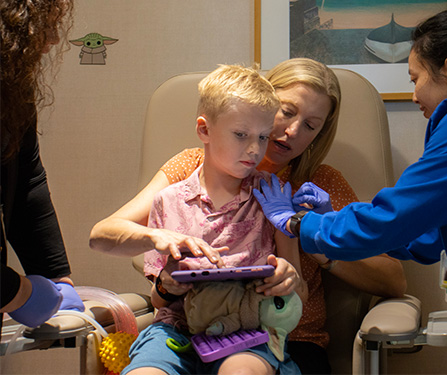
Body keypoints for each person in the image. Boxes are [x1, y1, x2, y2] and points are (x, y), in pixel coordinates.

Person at [253, 1, 447, 373]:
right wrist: (335, 218)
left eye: (415, 79)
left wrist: (300, 225)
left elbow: (395, 218)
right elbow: (422, 236)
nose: (414, 96)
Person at [90, 58, 407, 374]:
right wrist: (161, 248)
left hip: (286, 337)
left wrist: (313, 234)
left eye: (311, 126)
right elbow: (109, 231)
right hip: (186, 325)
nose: (292, 132)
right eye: (286, 111)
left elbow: (392, 279)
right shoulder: (188, 170)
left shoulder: (318, 184)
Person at [122, 64, 305, 375]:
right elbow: (158, 301)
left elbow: (297, 289)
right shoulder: (168, 202)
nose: (254, 149)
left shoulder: (271, 198)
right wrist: (168, 284)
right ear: (204, 130)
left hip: (246, 331)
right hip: (174, 328)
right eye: (240, 135)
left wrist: (285, 277)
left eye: (263, 137)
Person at [1, 0, 84, 332]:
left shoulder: (12, 88)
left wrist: (55, 276)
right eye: (44, 25)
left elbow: (27, 182)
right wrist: (19, 292)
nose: (52, 40)